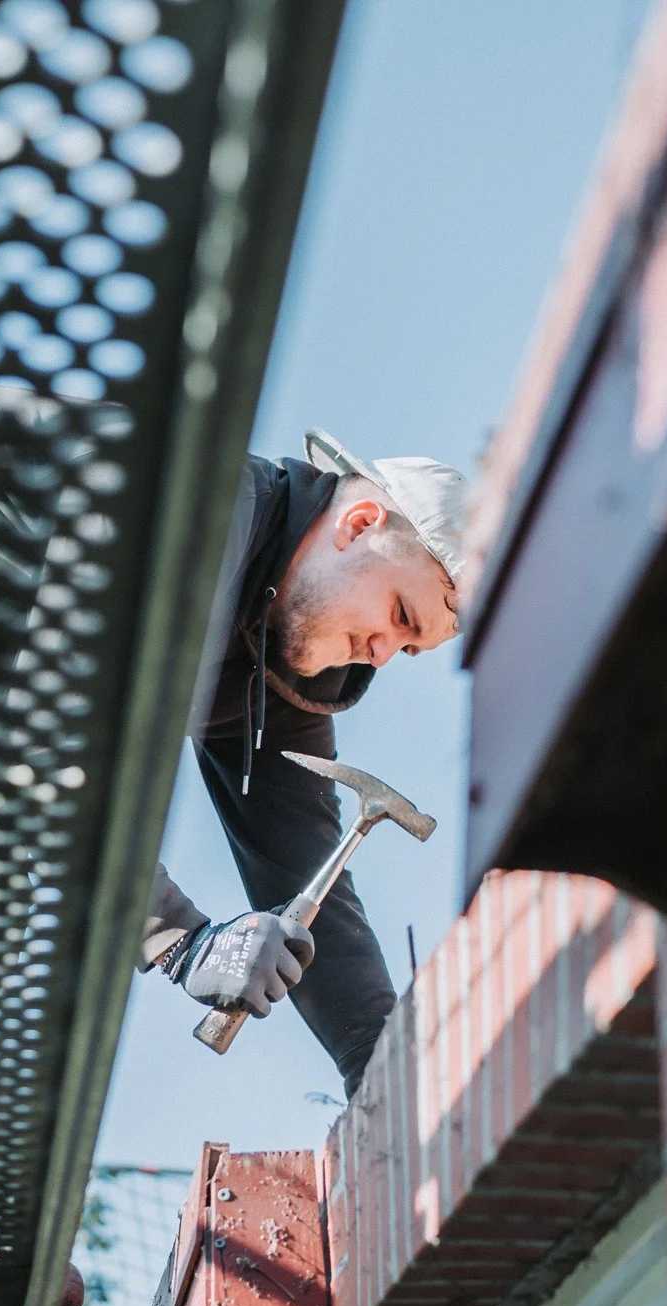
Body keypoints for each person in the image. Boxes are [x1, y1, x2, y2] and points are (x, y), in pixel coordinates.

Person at [141, 429, 466, 1098]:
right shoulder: (207, 513)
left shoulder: (278, 663)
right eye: (399, 613)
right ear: (358, 524)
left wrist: (386, 1081)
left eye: (406, 648)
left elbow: (300, 864)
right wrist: (179, 938)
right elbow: (55, 739)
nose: (378, 653)